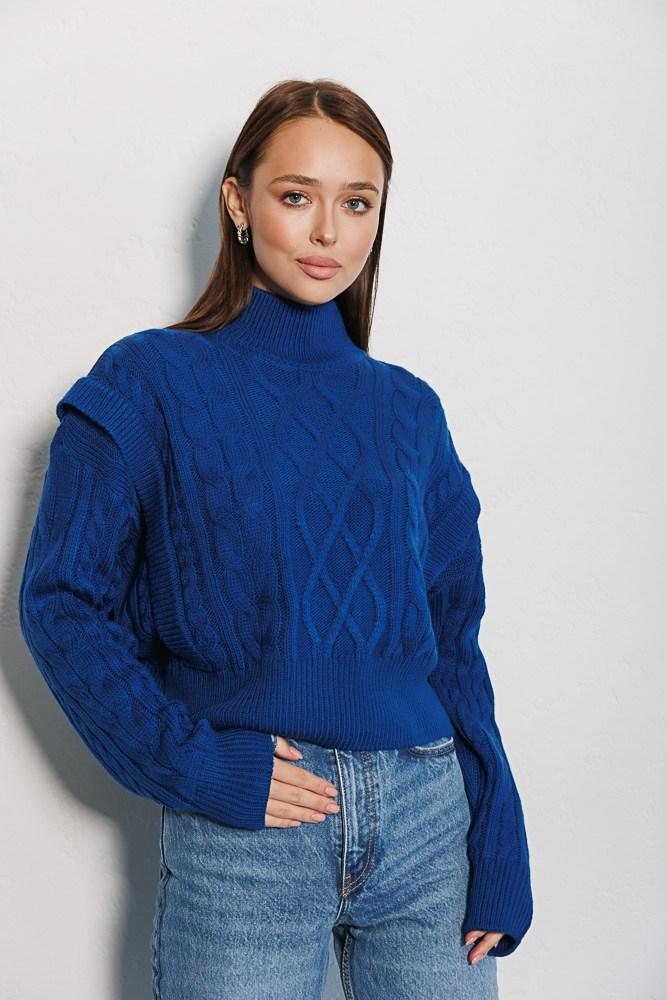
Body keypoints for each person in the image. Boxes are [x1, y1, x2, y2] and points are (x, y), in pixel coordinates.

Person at [18, 78, 533, 999]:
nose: (327, 230)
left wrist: (496, 832)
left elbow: (454, 639)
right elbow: (61, 602)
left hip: (427, 823)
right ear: (238, 203)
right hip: (251, 830)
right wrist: (195, 763)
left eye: (357, 203)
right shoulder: (149, 380)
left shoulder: (408, 410)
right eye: (296, 196)